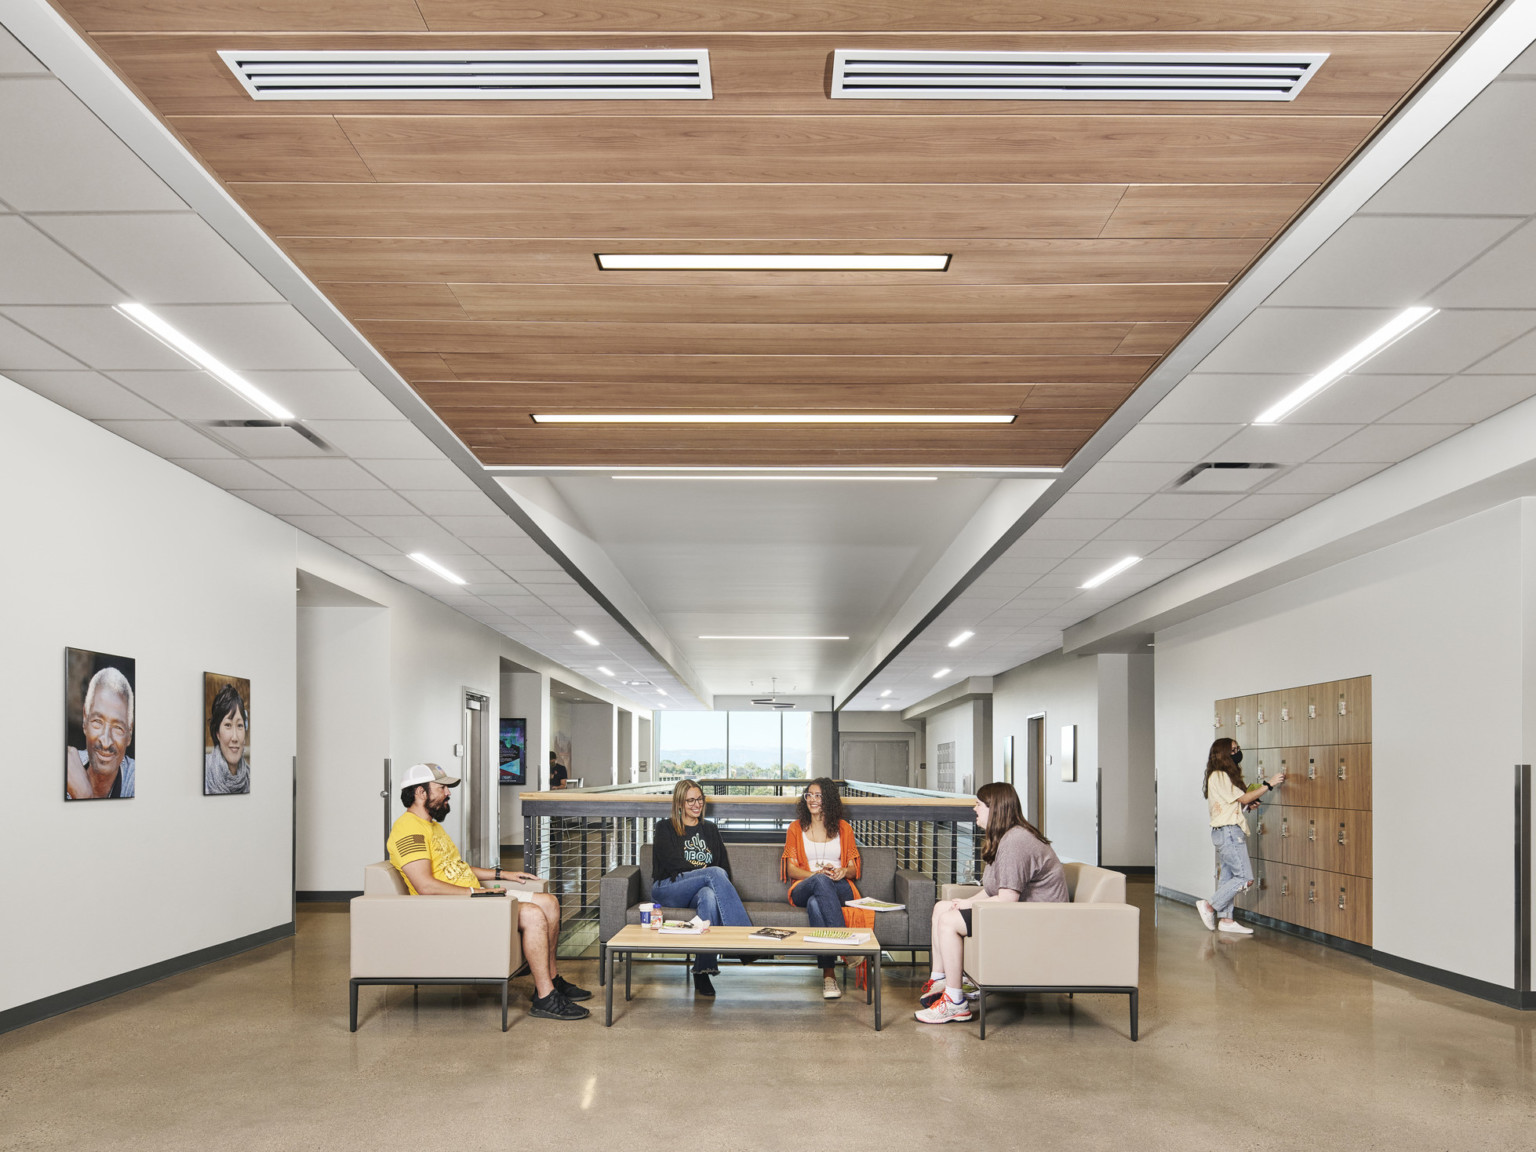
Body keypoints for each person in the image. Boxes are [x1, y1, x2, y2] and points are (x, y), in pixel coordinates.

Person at [386, 762, 591, 1020]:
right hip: (450, 907)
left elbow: (456, 867)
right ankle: (544, 997)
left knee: (549, 902)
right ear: (420, 793)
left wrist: (502, 874)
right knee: (533, 914)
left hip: (471, 898)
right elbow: (425, 886)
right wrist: (474, 893)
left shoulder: (433, 826)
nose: (449, 793)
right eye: (442, 788)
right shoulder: (407, 830)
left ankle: (551, 979)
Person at [916, 781, 1068, 1024]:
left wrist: (967, 908)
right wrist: (963, 902)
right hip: (1020, 915)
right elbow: (992, 890)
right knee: (942, 908)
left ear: (994, 808)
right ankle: (940, 981)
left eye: (978, 805)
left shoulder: (1016, 841)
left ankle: (955, 1002)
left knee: (948, 922)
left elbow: (1008, 898)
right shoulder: (1005, 838)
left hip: (1038, 922)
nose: (974, 809)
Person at [651, 778, 754, 997]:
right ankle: (744, 943)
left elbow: (723, 866)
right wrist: (706, 873)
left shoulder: (710, 829)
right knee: (713, 873)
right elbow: (673, 865)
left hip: (698, 889)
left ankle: (703, 971)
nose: (696, 805)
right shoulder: (664, 828)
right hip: (668, 887)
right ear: (679, 804)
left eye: (699, 799)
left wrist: (708, 876)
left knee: (708, 894)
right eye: (690, 801)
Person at [780, 777, 876, 1000]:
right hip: (803, 886)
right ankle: (847, 949)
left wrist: (843, 871)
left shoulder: (844, 829)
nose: (812, 800)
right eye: (809, 795)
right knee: (819, 884)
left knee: (817, 902)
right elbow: (791, 869)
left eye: (818, 796)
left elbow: (853, 868)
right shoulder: (796, 829)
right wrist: (815, 876)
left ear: (829, 800)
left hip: (838, 887)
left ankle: (829, 976)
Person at [1196, 737, 1286, 936]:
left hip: (1225, 831)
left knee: (1228, 877)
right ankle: (1210, 906)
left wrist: (1247, 805)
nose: (1237, 752)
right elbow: (1244, 797)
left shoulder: (1220, 776)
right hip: (1228, 832)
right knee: (1245, 877)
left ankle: (1227, 919)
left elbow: (1237, 802)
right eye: (1234, 749)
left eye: (1238, 748)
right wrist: (1269, 784)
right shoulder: (1219, 775)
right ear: (1224, 754)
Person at [65, 666, 136, 799]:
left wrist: (85, 796)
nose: (105, 742)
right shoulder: (66, 770)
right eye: (97, 722)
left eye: (117, 728)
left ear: (129, 734)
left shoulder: (136, 781)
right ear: (85, 720)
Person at [203, 682, 250, 795]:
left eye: (239, 726)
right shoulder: (203, 771)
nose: (235, 737)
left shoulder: (251, 776)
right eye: (228, 725)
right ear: (217, 733)